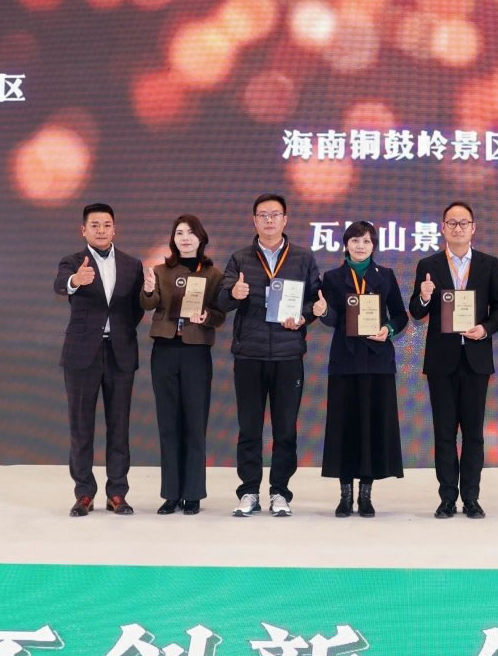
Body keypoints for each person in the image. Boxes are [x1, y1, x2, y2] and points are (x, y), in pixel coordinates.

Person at [216, 193, 321, 518]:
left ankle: (280, 492)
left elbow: (315, 300)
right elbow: (222, 301)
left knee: (285, 429)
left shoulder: (302, 258)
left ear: (285, 220)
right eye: (263, 215)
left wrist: (303, 316)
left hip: (288, 355)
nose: (269, 220)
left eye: (275, 214)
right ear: (254, 221)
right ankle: (249, 491)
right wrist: (233, 293)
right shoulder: (240, 258)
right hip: (250, 354)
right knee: (249, 428)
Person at [409, 201, 498, 520]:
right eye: (451, 223)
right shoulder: (429, 264)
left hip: (476, 358)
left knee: (474, 434)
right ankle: (447, 498)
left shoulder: (488, 263)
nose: (458, 228)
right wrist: (424, 295)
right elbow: (416, 311)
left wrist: (485, 328)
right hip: (442, 360)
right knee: (444, 433)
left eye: (463, 223)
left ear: (473, 228)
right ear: (442, 228)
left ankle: (472, 498)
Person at [312, 221, 410, 517]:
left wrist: (388, 329)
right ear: (346, 244)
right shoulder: (332, 277)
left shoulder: (386, 275)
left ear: (373, 246)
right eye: (355, 240)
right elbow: (332, 319)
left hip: (377, 360)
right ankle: (345, 495)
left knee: (371, 426)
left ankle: (366, 495)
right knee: (344, 426)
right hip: (345, 360)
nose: (360, 246)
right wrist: (323, 312)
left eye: (366, 241)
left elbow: (401, 315)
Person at [53, 203, 145, 517]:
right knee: (81, 427)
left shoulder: (132, 264)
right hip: (82, 355)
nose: (101, 230)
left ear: (114, 229)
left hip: (120, 353)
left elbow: (137, 309)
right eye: (94, 225)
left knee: (119, 426)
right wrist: (76, 280)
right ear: (84, 230)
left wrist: (119, 332)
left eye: (106, 225)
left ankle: (117, 492)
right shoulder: (72, 262)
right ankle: (84, 493)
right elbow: (60, 285)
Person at [139, 215, 226, 515]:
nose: (185, 238)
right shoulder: (160, 271)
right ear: (173, 239)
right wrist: (147, 289)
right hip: (165, 350)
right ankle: (171, 493)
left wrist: (207, 317)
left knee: (195, 423)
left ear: (201, 238)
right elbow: (148, 304)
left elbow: (220, 314)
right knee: (168, 423)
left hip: (196, 352)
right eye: (179, 233)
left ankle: (193, 493)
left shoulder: (213, 274)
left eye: (190, 233)